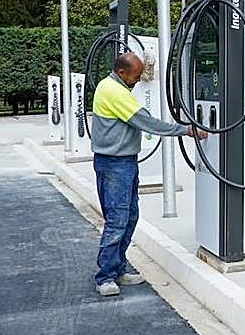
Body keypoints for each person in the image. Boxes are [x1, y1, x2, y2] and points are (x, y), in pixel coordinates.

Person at [89, 51, 207, 297]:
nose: (138, 80)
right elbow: (146, 122)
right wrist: (185, 130)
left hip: (123, 162)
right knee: (117, 220)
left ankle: (117, 268)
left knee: (130, 216)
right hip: (114, 165)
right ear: (121, 72)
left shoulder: (114, 86)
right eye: (135, 76)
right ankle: (105, 277)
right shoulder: (114, 91)